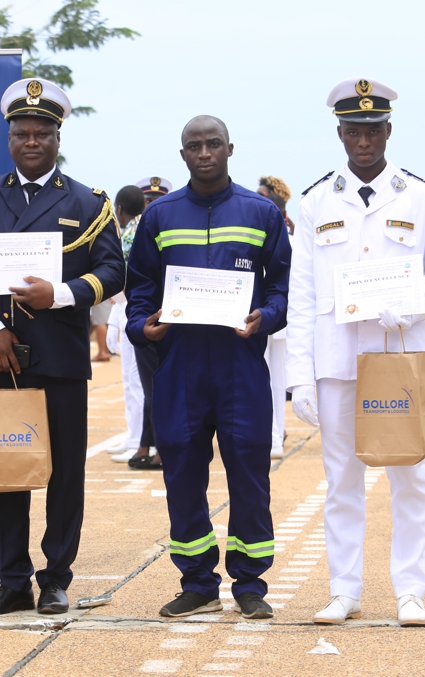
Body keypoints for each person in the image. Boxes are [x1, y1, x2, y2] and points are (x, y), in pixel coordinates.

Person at [286, 78, 425, 626]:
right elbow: (301, 294)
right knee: (341, 481)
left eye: (373, 130)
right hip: (336, 361)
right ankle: (345, 590)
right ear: (339, 134)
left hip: (396, 358)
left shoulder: (420, 197)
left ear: (388, 131)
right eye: (353, 131)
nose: (363, 141)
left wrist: (410, 304)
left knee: (409, 477)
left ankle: (411, 590)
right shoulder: (316, 202)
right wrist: (299, 376)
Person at [0, 78, 125, 616]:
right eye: (21, 133)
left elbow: (113, 271)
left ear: (57, 138)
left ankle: (55, 579)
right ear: (8, 138)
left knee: (65, 473)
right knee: (6, 468)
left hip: (60, 356)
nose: (31, 142)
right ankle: (12, 581)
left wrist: (61, 294)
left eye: (42, 133)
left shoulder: (88, 202)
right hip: (0, 356)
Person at [126, 115, 290, 620]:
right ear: (183, 155)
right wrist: (140, 326)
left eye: (213, 144)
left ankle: (250, 584)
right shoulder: (160, 216)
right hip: (180, 366)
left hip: (241, 365)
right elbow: (140, 288)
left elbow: (282, 287)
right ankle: (197, 583)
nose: (204, 153)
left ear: (229, 148)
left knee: (249, 474)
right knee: (182, 474)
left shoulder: (261, 212)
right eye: (194, 146)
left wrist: (266, 317)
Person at [126, 177, 174, 471]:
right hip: (147, 315)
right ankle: (149, 444)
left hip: (174, 314)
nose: (153, 205)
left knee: (157, 385)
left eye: (158, 200)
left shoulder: (174, 225)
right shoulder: (135, 230)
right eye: (149, 201)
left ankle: (156, 446)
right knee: (150, 385)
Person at [106, 186, 146, 463]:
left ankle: (141, 440)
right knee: (131, 380)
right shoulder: (137, 228)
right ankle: (134, 436)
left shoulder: (131, 233)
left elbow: (125, 279)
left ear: (119, 208)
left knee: (136, 380)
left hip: (133, 308)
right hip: (128, 307)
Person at [264, 191, 293, 459]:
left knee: (272, 381)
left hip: (276, 320)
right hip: (260, 320)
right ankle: (272, 436)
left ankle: (274, 437)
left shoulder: (292, 241)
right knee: (273, 380)